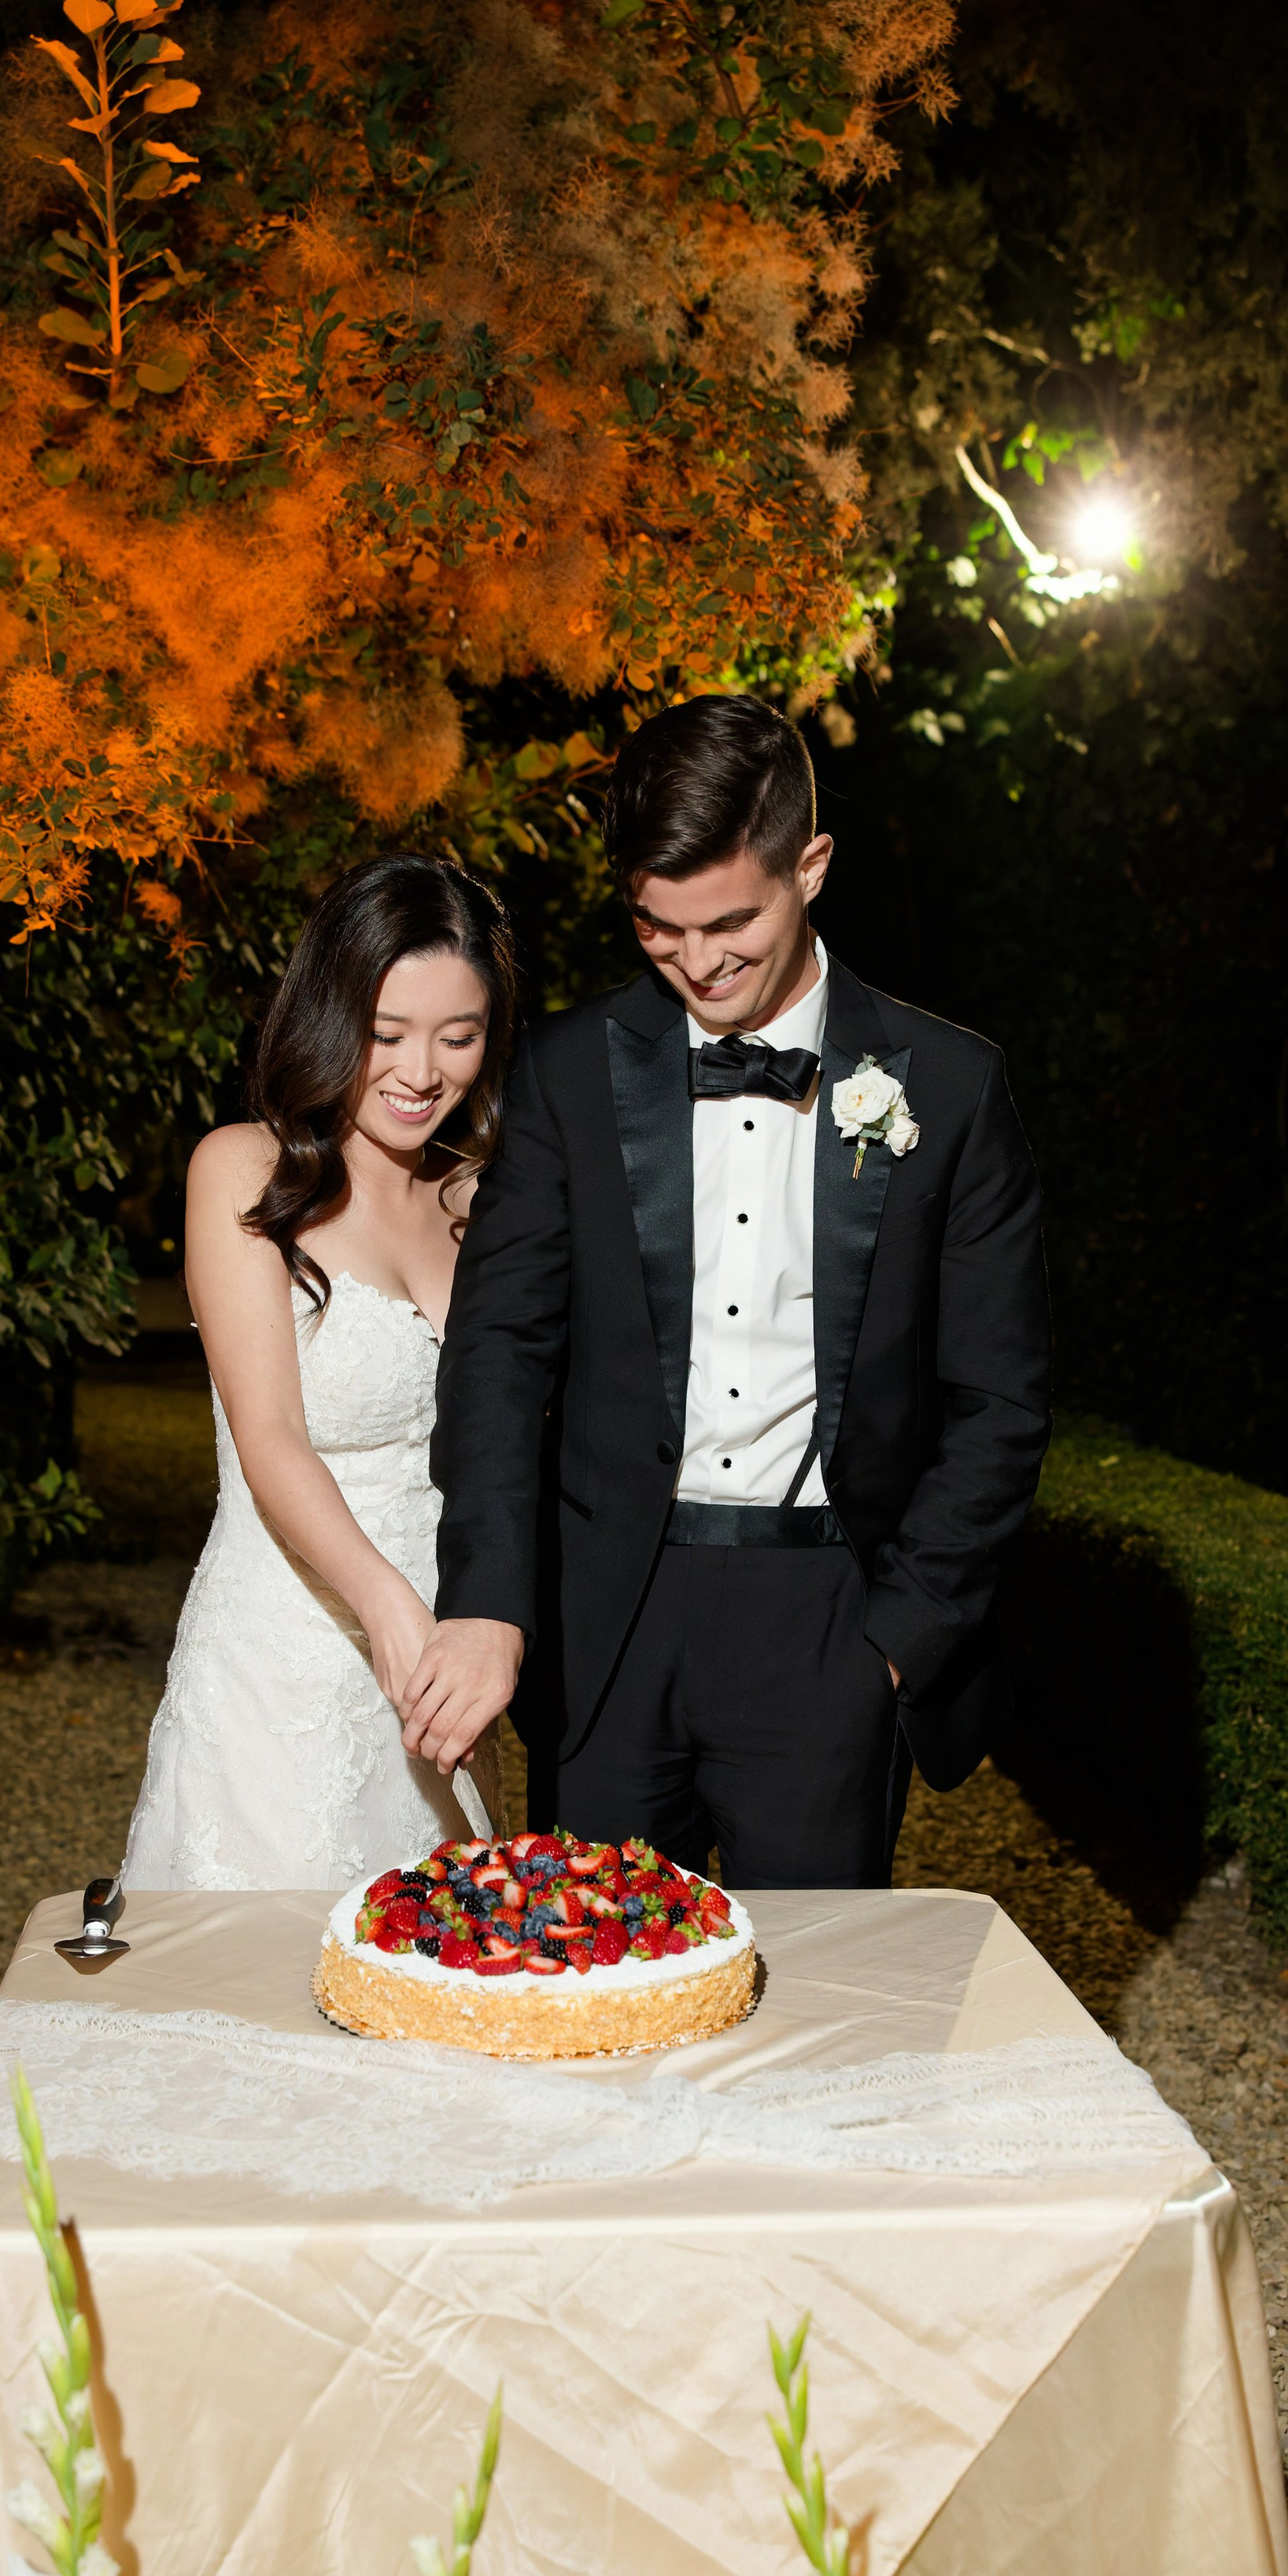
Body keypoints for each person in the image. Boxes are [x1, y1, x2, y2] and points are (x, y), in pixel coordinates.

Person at [401, 692, 1050, 1889]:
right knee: (589, 1993)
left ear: (812, 865)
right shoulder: (562, 1074)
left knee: (806, 2018)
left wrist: (894, 1646)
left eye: (731, 923)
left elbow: (1000, 1403)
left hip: (828, 1620)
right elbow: (498, 1351)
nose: (698, 964)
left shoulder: (952, 1091)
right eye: (659, 929)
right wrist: (489, 1596)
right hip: (610, 1616)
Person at [121, 856, 514, 1892]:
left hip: (448, 1660)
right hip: (286, 1657)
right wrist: (391, 1615)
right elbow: (270, 1438)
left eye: (457, 1037)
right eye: (387, 1034)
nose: (422, 1071)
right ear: (331, 1016)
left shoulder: (483, 1199)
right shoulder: (240, 1169)